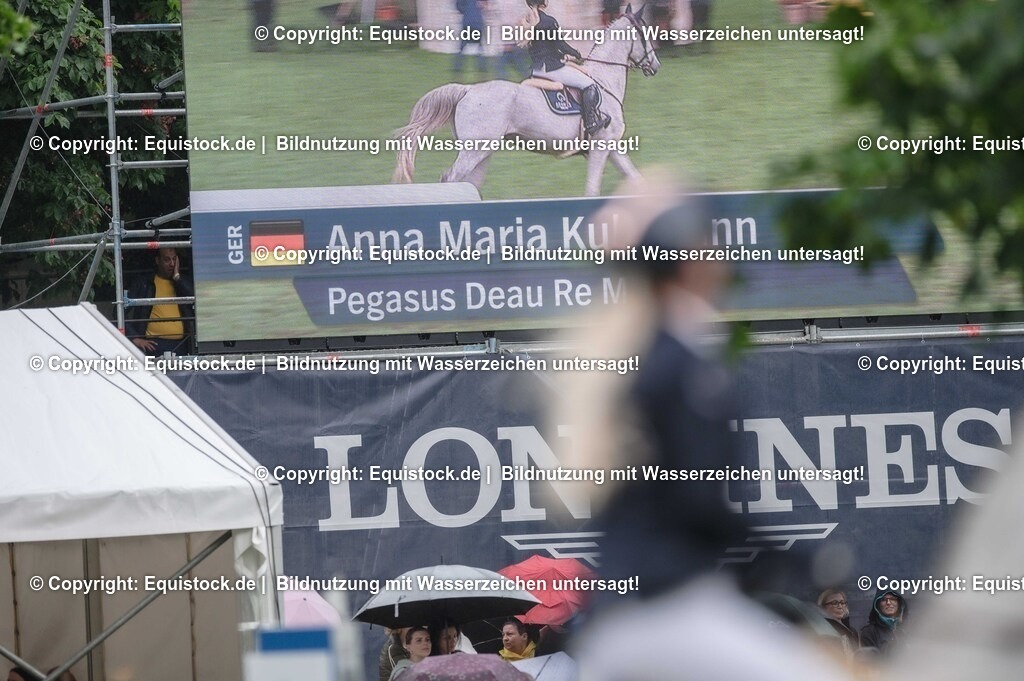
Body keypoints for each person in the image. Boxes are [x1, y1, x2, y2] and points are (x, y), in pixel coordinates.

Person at [523, 0, 610, 135]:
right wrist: (577, 53)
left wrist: (563, 56)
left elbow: (544, 46)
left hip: (537, 68)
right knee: (589, 84)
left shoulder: (527, 20)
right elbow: (560, 44)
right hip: (551, 68)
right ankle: (590, 123)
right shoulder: (549, 21)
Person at [126, 247, 194, 356]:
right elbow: (119, 312)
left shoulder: (182, 282)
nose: (172, 264)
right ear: (158, 261)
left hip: (182, 344)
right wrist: (135, 338)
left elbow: (196, 299)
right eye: (167, 260)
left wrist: (177, 277)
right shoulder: (144, 283)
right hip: (154, 344)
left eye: (174, 259)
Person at [860, 589, 907, 654]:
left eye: (893, 599)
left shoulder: (906, 630)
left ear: (899, 604)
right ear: (877, 605)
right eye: (883, 600)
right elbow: (870, 661)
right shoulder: (869, 632)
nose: (888, 603)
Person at [817, 589, 859, 656]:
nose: (840, 606)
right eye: (835, 603)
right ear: (823, 608)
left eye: (842, 603)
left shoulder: (852, 631)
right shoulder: (821, 631)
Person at [453, 0, 488, 79]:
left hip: (467, 22)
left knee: (461, 48)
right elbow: (485, 4)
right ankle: (482, 69)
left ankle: (457, 69)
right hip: (477, 23)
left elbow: (458, 6)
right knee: (479, 49)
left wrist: (466, 11)